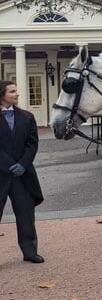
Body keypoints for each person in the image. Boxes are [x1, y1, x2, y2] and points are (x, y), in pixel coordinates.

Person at [0, 81, 44, 263]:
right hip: (2, 173)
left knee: (25, 213)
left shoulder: (27, 116)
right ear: (2, 94)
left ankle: (30, 251)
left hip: (22, 175)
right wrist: (8, 165)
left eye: (16, 90)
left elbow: (32, 143)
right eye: (12, 91)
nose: (17, 94)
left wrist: (23, 165)